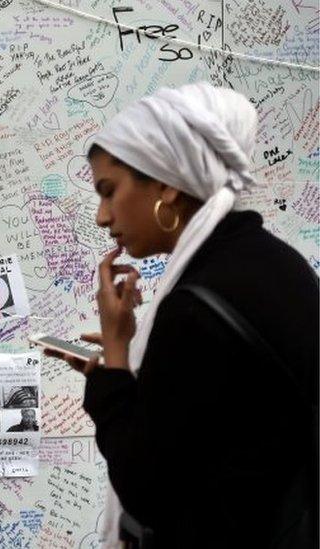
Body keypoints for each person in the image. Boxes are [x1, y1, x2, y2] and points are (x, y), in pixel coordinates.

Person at [42, 83, 318, 547]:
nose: (102, 217)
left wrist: (114, 354)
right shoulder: (270, 261)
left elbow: (146, 487)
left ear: (166, 183)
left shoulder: (197, 303)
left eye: (109, 191)